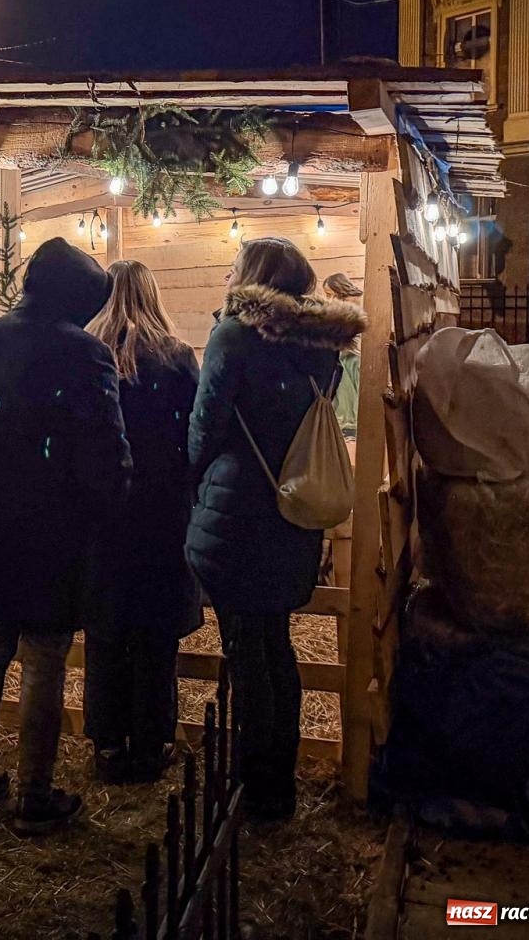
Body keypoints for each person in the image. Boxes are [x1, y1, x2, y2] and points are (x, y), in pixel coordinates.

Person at [0, 238, 132, 836]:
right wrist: (108, 504)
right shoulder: (85, 353)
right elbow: (105, 449)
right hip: (53, 530)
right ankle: (33, 794)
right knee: (45, 657)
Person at [187, 237, 365, 821]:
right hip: (294, 512)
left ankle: (252, 787)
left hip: (238, 510)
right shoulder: (322, 344)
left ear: (251, 277)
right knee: (277, 646)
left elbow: (206, 425)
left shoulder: (234, 337)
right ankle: (279, 783)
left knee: (245, 650)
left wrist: (193, 479)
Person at [84, 260, 202, 783]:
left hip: (104, 510)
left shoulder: (89, 354)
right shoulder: (176, 357)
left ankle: (108, 744)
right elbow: (195, 432)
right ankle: (153, 742)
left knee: (106, 630)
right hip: (161, 509)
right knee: (156, 633)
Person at [322, 272, 363, 440]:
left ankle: (348, 422)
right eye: (327, 295)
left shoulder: (351, 302)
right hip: (345, 350)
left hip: (352, 353)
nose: (328, 298)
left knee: (345, 382)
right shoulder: (342, 303)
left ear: (338, 289)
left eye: (330, 294)